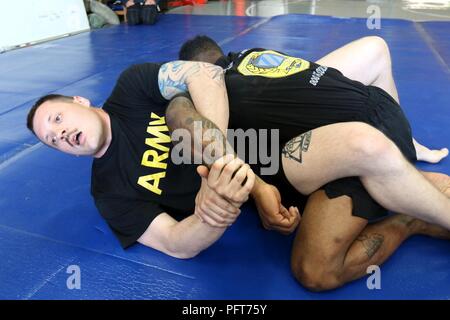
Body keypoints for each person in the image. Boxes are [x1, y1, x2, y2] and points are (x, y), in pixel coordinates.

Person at [26, 39, 449, 290]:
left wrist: (224, 161)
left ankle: (405, 167)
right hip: (285, 162)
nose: (59, 134)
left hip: (273, 148)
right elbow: (176, 242)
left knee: (180, 111)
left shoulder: (132, 88)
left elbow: (204, 76)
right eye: (51, 139)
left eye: (57, 118)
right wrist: (214, 208)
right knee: (317, 263)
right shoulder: (109, 190)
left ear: (78, 101)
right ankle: (409, 196)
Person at [177, 35, 450, 290]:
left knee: (314, 270)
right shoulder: (253, 55)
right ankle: (409, 177)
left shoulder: (220, 96)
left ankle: (410, 218)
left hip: (361, 146)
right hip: (385, 111)